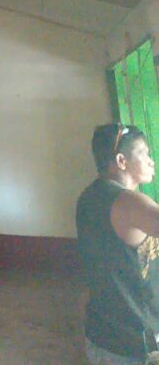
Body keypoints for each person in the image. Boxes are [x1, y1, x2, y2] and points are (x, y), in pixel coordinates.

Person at [76, 123, 159, 365]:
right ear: (122, 161)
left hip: (102, 336)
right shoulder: (128, 202)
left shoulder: (89, 197)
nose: (151, 161)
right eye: (143, 153)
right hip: (134, 347)